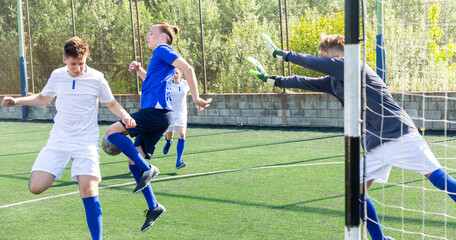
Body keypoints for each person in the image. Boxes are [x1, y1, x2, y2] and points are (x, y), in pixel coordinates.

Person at [248, 33, 456, 240]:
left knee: (439, 179)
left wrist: (283, 55)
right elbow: (305, 81)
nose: (327, 62)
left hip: (399, 133)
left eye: (328, 57)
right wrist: (273, 80)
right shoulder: (334, 81)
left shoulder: (353, 65)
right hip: (376, 146)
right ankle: (379, 239)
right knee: (355, 194)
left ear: (339, 54)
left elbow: (316, 64)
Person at [1, 37, 136, 240]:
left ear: (86, 59)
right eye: (73, 64)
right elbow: (43, 98)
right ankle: (62, 169)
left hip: (86, 143)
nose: (78, 68)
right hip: (59, 141)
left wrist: (125, 115)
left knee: (89, 191)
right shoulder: (57, 76)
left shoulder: (97, 78)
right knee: (35, 187)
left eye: (81, 63)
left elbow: (111, 103)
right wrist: (18, 101)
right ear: (65, 59)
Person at [104, 22, 212, 232]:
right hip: (160, 115)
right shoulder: (159, 57)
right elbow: (153, 81)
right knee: (132, 160)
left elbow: (188, 68)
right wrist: (139, 71)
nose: (147, 37)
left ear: (163, 37)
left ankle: (148, 169)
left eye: (151, 33)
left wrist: (196, 98)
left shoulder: (163, 49)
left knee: (111, 132)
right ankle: (154, 206)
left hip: (155, 113)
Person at [162, 69, 192, 169]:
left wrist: (199, 104)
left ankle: (179, 160)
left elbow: (194, 93)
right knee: (169, 136)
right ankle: (168, 142)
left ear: (181, 74)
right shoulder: (167, 84)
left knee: (182, 134)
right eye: (173, 73)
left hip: (181, 114)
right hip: (170, 113)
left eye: (177, 73)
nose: (175, 75)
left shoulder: (186, 84)